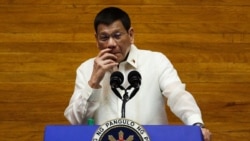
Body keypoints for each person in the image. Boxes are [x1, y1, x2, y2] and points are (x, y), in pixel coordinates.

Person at [64, 7, 211, 141]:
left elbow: (177, 95)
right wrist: (94, 82)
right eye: (104, 38)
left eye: (117, 35)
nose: (111, 44)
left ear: (131, 35)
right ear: (96, 40)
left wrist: (195, 123)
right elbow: (75, 121)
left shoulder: (155, 61)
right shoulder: (86, 69)